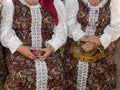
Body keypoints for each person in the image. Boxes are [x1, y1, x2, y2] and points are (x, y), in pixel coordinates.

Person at [0, 0, 67, 89]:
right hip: (19, 50)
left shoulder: (55, 3)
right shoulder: (11, 2)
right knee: (21, 75)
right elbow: (5, 31)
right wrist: (20, 48)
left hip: (47, 51)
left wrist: (51, 49)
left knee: (57, 73)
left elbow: (61, 31)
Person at [64, 0, 120, 90]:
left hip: (102, 51)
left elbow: (116, 27)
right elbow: (69, 22)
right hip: (76, 46)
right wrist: (84, 38)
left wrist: (98, 41)